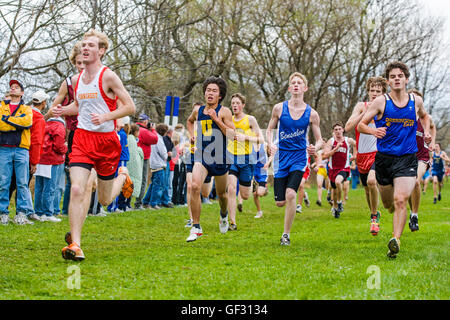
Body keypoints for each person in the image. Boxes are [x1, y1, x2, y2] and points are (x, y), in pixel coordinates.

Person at [53, 29, 135, 261]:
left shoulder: (108, 76)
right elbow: (81, 107)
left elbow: (130, 107)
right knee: (78, 188)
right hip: (82, 139)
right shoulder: (77, 80)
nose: (85, 48)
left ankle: (123, 177)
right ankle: (76, 244)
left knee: (105, 200)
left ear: (101, 50)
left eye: (91, 45)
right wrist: (64, 110)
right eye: (83, 45)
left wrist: (107, 117)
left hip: (107, 142)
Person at [358, 61, 431, 259]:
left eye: (400, 76)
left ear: (406, 79)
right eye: (393, 76)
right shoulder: (381, 102)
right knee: (389, 203)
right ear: (389, 81)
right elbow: (361, 125)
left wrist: (426, 134)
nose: (397, 79)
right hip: (384, 160)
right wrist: (374, 131)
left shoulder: (415, 101)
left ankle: (395, 240)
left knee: (400, 200)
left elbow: (424, 117)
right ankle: (385, 213)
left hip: (407, 159)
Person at [266, 72, 323, 246]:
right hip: (282, 158)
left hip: (299, 158)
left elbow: (320, 139)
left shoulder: (312, 114)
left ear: (305, 88)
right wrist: (270, 144)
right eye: (293, 83)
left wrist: (316, 147)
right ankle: (285, 218)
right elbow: (269, 130)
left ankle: (286, 235)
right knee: (280, 202)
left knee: (291, 193)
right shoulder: (279, 108)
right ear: (290, 88)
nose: (296, 85)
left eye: (300, 83)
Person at [185, 76, 235, 242]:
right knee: (194, 186)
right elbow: (190, 122)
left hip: (220, 158)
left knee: (222, 195)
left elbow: (232, 135)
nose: (210, 93)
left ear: (220, 95)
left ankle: (223, 215)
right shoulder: (198, 110)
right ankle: (196, 227)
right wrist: (192, 135)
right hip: (202, 156)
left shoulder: (224, 111)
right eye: (208, 90)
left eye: (214, 91)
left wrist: (216, 119)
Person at [46, 42, 85, 216]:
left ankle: (87, 208)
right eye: (78, 63)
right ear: (74, 63)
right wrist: (42, 120)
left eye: (85, 62)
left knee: (92, 178)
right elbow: (54, 108)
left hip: (97, 132)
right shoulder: (68, 83)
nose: (82, 66)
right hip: (76, 132)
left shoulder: (102, 80)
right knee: (74, 174)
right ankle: (68, 210)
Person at [345, 76, 387, 234]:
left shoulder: (385, 107)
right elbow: (348, 126)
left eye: (378, 91)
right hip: (362, 155)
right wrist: (363, 113)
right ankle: (375, 212)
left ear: (383, 92)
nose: (375, 94)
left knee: (371, 182)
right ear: (368, 92)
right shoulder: (360, 106)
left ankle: (374, 218)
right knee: (367, 190)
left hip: (378, 153)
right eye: (372, 91)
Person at [226, 93, 264, 230]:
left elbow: (260, 139)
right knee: (231, 188)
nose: (235, 105)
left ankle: (252, 182)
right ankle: (232, 222)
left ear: (243, 105)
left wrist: (246, 138)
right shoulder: (228, 119)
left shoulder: (250, 120)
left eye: (237, 103)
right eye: (233, 103)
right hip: (231, 157)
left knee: (245, 195)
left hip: (247, 159)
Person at [0, 80, 35, 225]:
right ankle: (3, 213)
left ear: (22, 93)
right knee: (3, 182)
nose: (13, 89)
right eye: (11, 87)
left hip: (21, 149)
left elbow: (27, 123)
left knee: (22, 183)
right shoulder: (2, 107)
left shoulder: (27, 109)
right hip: (4, 149)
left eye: (16, 87)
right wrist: (16, 123)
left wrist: (7, 120)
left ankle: (21, 213)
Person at [8, 89, 47, 223]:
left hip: (13, 149)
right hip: (27, 155)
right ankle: (22, 213)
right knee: (21, 185)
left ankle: (14, 211)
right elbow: (37, 141)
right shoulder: (38, 118)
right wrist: (35, 161)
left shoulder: (24, 112)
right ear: (44, 103)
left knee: (10, 183)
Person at [407, 89, 436, 231]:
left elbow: (432, 127)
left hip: (422, 157)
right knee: (407, 187)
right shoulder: (405, 117)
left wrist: (432, 142)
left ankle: (415, 215)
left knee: (416, 181)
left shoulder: (425, 118)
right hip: (407, 156)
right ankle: (412, 212)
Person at [184, 102, 214, 228]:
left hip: (206, 158)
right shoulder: (191, 126)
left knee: (205, 193)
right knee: (190, 186)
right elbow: (188, 123)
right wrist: (191, 138)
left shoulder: (208, 124)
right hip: (191, 156)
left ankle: (210, 176)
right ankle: (191, 219)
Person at [34, 115, 67, 222]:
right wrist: (65, 148)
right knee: (50, 187)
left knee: (39, 186)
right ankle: (48, 212)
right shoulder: (59, 126)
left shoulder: (45, 124)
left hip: (41, 158)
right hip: (53, 159)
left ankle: (38, 211)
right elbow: (58, 146)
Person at [322, 122, 356, 218]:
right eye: (335, 129)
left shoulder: (347, 140)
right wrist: (335, 149)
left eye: (339, 129)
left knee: (338, 182)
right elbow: (325, 155)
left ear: (343, 130)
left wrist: (355, 155)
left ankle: (340, 203)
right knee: (335, 190)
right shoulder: (331, 141)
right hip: (332, 169)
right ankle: (336, 208)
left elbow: (356, 145)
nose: (338, 131)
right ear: (333, 131)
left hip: (344, 168)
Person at [134, 114, 158, 210]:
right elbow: (154, 139)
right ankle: (138, 203)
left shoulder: (136, 128)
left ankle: (130, 202)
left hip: (136, 156)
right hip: (143, 157)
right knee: (143, 180)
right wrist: (153, 129)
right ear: (145, 121)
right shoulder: (143, 131)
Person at [143, 123, 169, 209]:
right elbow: (163, 154)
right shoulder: (159, 139)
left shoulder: (154, 136)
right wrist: (168, 155)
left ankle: (146, 201)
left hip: (153, 163)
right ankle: (153, 203)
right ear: (164, 132)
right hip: (159, 164)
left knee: (153, 184)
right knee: (158, 185)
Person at [127, 124, 144, 206]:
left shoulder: (133, 139)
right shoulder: (131, 139)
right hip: (132, 166)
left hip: (131, 165)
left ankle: (128, 203)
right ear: (136, 131)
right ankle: (125, 204)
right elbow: (132, 153)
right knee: (129, 184)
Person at [253, 143, 269, 219]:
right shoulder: (250, 145)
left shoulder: (264, 144)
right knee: (255, 194)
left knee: (259, 193)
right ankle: (259, 212)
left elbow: (271, 153)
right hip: (254, 171)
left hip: (263, 172)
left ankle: (265, 189)